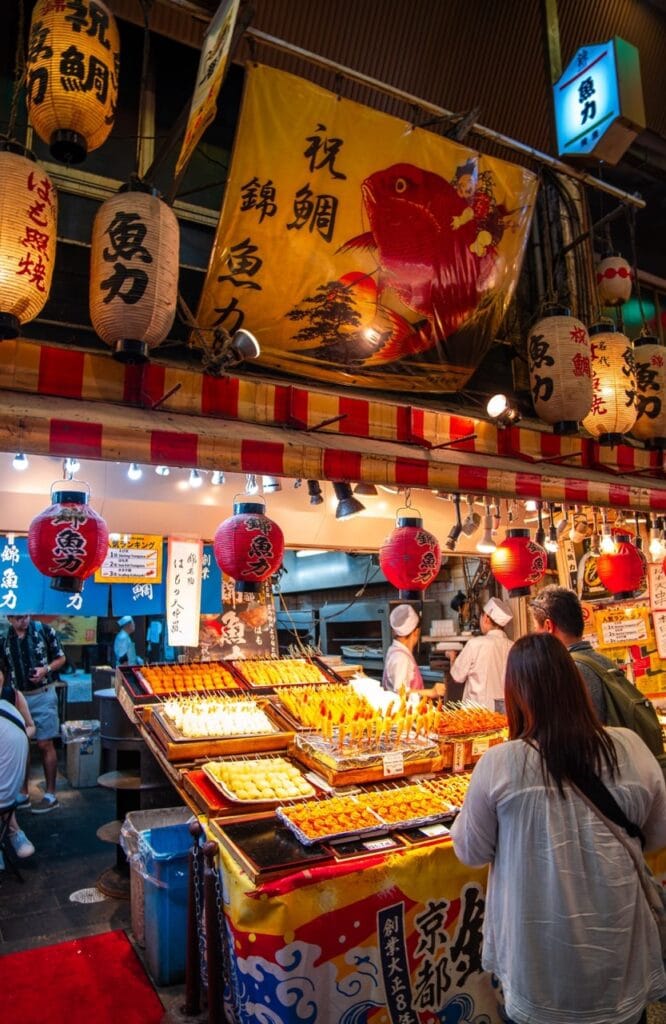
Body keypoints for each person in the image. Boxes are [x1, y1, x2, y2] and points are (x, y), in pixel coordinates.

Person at [451, 632, 666, 1024]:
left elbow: (470, 850)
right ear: (576, 683)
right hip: (620, 959)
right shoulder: (631, 748)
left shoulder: (500, 764)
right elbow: (656, 838)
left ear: (514, 695)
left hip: (538, 972)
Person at [3, 613, 66, 813]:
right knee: (22, 743)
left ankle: (50, 794)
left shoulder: (44, 630)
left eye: (26, 616)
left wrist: (45, 669)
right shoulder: (4, 638)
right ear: (9, 619)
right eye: (19, 618)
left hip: (43, 694)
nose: (24, 620)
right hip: (18, 697)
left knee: (45, 742)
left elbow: (61, 657)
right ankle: (23, 793)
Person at [445, 596, 513, 711]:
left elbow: (457, 676)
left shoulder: (475, 644)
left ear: (486, 618)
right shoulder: (513, 646)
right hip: (504, 713)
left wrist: (452, 657)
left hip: (477, 714)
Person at [0, 655, 36, 865]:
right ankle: (13, 831)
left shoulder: (13, 698)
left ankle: (13, 833)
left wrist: (18, 736)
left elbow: (30, 726)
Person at [382, 604, 424, 692]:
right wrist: (431, 692)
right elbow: (401, 691)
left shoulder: (394, 650)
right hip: (405, 705)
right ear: (416, 632)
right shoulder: (401, 658)